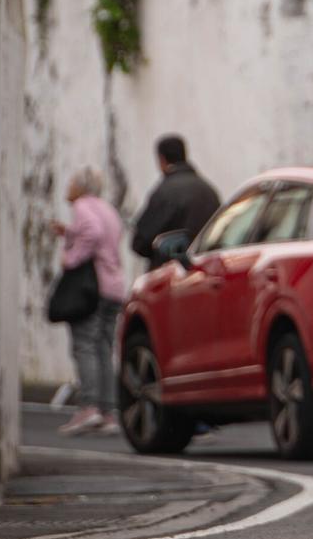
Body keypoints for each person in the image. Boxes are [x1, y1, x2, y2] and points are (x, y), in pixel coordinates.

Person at [51, 166, 126, 436]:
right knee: (104, 347)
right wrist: (71, 233)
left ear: (81, 187)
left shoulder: (83, 206)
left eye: (70, 182)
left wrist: (70, 258)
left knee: (84, 346)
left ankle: (89, 406)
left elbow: (92, 234)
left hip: (91, 289)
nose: (67, 187)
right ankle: (108, 411)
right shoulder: (107, 208)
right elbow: (103, 236)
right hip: (114, 286)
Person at [131, 134, 220, 267]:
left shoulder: (164, 192)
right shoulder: (208, 190)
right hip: (206, 271)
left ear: (161, 159)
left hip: (172, 275)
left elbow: (141, 241)